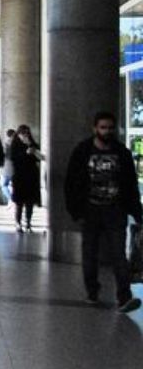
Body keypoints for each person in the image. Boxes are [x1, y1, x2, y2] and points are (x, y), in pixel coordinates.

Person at [64, 112, 143, 313]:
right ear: (95, 128)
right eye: (103, 127)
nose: (107, 131)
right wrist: (76, 210)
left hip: (115, 210)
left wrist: (136, 211)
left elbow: (130, 185)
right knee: (90, 254)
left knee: (118, 254)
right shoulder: (83, 151)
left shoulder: (122, 153)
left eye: (110, 128)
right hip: (90, 210)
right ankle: (92, 290)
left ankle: (124, 296)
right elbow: (71, 182)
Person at [10, 124, 44, 232]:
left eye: (27, 133)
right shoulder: (15, 145)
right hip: (20, 176)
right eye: (23, 133)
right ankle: (18, 223)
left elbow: (40, 158)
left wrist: (32, 149)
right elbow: (14, 159)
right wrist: (25, 153)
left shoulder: (33, 144)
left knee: (30, 201)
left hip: (31, 176)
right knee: (19, 202)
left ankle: (28, 223)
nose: (25, 135)